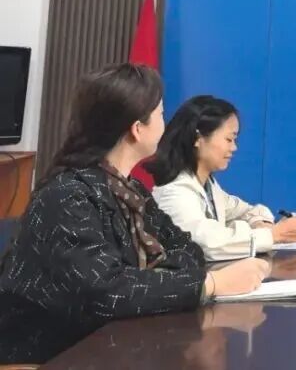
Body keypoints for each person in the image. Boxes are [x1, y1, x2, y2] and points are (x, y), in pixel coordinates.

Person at [0, 64, 268, 364]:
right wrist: (210, 284)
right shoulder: (68, 196)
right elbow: (108, 292)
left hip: (108, 345)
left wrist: (147, 282)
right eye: (161, 114)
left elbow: (187, 250)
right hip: (49, 356)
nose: (166, 123)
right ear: (137, 129)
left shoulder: (132, 190)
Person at [148, 96, 296, 261]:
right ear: (198, 138)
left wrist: (262, 225)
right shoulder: (175, 193)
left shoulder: (209, 187)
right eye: (229, 139)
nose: (234, 148)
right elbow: (207, 244)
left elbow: (249, 211)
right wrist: (273, 235)